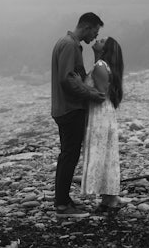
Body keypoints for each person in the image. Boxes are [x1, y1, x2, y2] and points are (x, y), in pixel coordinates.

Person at [51, 12, 105, 218]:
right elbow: (67, 79)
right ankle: (62, 205)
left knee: (68, 155)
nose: (95, 36)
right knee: (69, 155)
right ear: (87, 27)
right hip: (70, 108)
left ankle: (63, 200)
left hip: (66, 108)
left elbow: (79, 77)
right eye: (95, 31)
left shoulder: (68, 43)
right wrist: (92, 94)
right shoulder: (69, 45)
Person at [81, 36, 124, 212]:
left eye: (102, 41)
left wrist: (79, 85)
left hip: (100, 114)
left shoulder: (100, 66)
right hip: (106, 113)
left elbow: (98, 93)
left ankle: (111, 198)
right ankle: (109, 197)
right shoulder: (103, 66)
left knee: (102, 153)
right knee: (108, 155)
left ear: (105, 49)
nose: (97, 40)